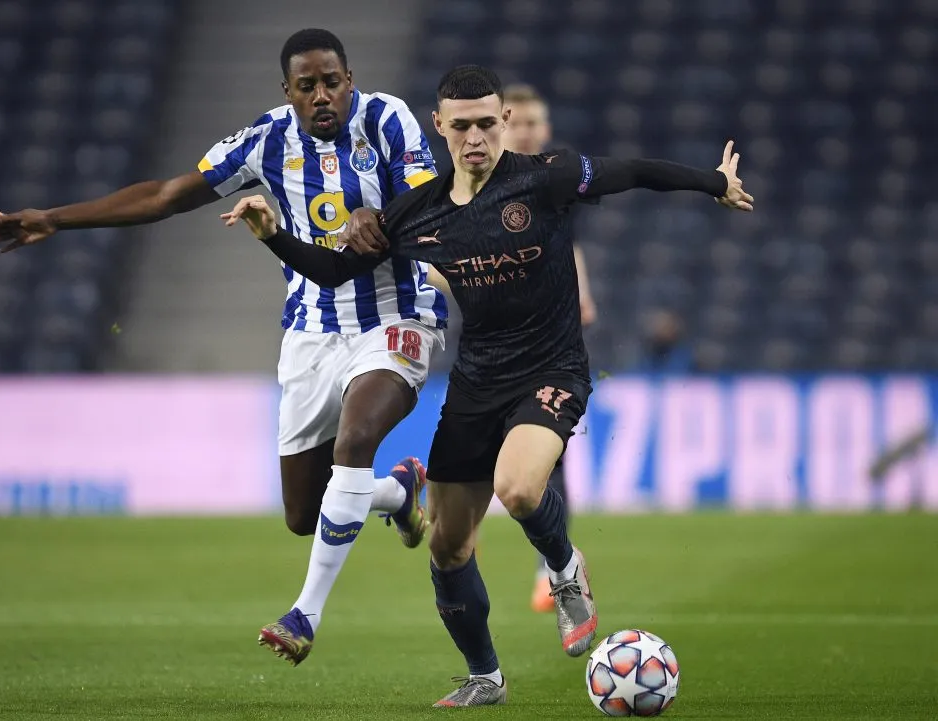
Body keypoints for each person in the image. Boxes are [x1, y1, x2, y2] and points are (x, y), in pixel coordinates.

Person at [223, 65, 752, 706]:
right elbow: (334, 271)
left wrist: (712, 183)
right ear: (440, 128)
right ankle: (486, 679)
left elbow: (634, 170)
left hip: (551, 369)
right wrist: (274, 233)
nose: (476, 137)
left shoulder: (547, 178)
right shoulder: (418, 212)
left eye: (487, 123)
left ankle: (564, 568)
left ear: (504, 123)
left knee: (519, 487)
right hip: (477, 381)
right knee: (446, 546)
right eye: (462, 125)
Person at [0, 29, 448, 665]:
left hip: (397, 316)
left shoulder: (386, 118)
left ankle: (303, 614)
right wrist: (56, 218)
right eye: (306, 85)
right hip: (311, 331)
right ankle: (397, 491)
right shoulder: (265, 141)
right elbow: (167, 197)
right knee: (304, 513)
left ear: (349, 78)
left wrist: (385, 217)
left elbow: (431, 195)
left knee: (356, 440)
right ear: (287, 90)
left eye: (331, 81)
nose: (322, 96)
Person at [502, 82, 597, 613]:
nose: (528, 131)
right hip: (492, 341)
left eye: (536, 123)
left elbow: (568, 241)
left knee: (549, 453)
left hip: (548, 342)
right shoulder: (477, 185)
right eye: (519, 122)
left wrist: (582, 285)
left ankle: (552, 566)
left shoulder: (556, 179)